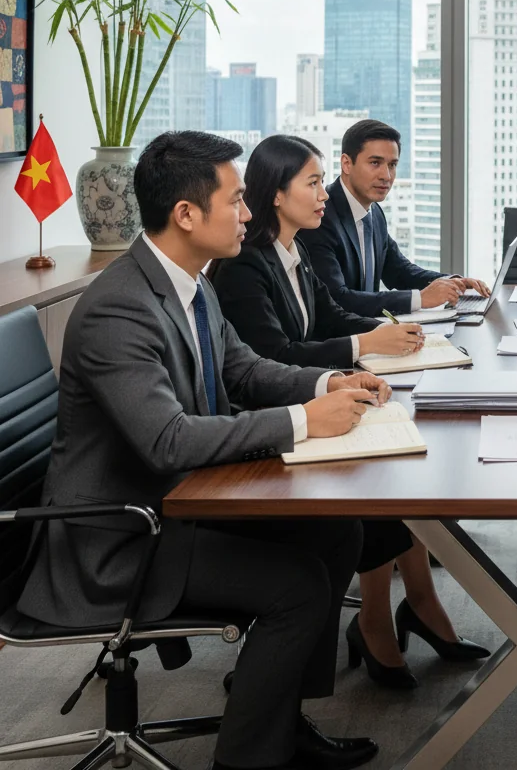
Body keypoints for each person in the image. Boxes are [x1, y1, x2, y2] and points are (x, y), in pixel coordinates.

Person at [17, 131, 390, 770]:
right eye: (237, 200)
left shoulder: (190, 282)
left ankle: (283, 722)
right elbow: (169, 440)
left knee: (337, 532)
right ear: (186, 214)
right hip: (117, 538)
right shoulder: (119, 309)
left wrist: (332, 383)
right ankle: (245, 761)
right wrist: (305, 420)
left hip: (175, 503)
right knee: (296, 585)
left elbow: (243, 370)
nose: (249, 213)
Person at [210, 135, 489, 690]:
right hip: (270, 425)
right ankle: (378, 620)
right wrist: (366, 349)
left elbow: (332, 315)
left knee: (400, 461)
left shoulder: (291, 252)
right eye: (312, 184)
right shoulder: (246, 267)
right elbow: (275, 356)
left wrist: (383, 337)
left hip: (307, 397)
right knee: (384, 479)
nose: (323, 195)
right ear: (275, 195)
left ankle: (418, 603)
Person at [300, 119, 490, 318]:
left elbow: (400, 272)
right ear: (346, 164)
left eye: (392, 165)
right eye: (375, 163)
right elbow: (337, 299)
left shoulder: (374, 213)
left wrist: (454, 282)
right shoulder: (320, 217)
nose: (386, 175)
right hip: (343, 341)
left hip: (372, 332)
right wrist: (420, 299)